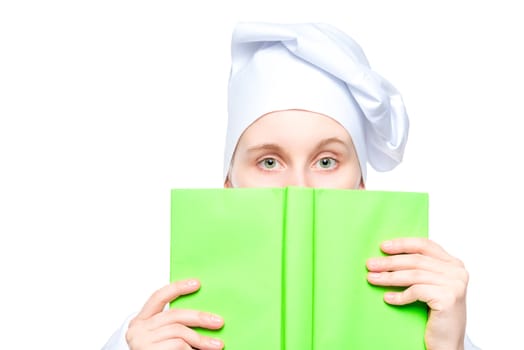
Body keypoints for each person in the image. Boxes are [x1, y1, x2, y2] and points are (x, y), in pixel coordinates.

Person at [103, 22, 479, 350]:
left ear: (362, 186)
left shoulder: (433, 329)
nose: (299, 188)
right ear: (229, 187)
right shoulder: (151, 336)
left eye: (326, 161)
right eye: (269, 162)